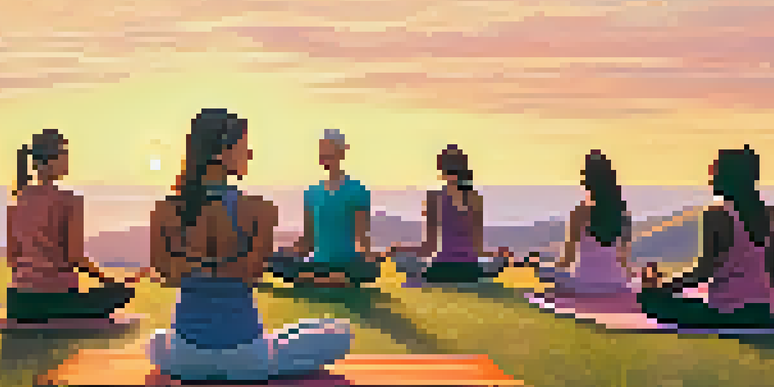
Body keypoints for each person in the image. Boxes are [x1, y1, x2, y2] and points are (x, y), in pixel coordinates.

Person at [148, 109, 352, 381]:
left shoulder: (165, 209)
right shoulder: (260, 210)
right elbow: (252, 273)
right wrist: (223, 265)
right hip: (247, 358)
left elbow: (167, 273)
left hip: (184, 359)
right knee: (339, 334)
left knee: (157, 340)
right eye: (244, 147)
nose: (250, 154)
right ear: (221, 153)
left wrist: (198, 266)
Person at [637, 145, 774, 329]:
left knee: (650, 300)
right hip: (763, 313)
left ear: (729, 177)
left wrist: (662, 287)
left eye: (716, 170)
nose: (711, 176)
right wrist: (772, 310)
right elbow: (768, 271)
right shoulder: (766, 213)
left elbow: (703, 272)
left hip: (730, 312)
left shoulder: (717, 214)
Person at [6, 129, 136, 323]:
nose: (67, 160)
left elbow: (12, 259)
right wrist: (107, 280)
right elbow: (75, 257)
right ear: (53, 159)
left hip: (18, 301)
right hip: (57, 298)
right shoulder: (70, 200)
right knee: (123, 292)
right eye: (64, 153)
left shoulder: (17, 201)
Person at [267, 129, 380, 287]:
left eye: (330, 151)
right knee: (277, 260)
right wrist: (286, 252)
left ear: (341, 154)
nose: (326, 157)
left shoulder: (357, 190)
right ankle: (330, 279)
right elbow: (308, 240)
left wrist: (368, 258)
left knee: (369, 269)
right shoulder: (312, 192)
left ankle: (316, 279)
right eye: (323, 152)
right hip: (319, 263)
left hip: (347, 262)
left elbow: (361, 237)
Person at [386, 145, 511, 284]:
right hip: (471, 270)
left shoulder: (434, 199)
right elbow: (478, 248)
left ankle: (419, 277)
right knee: (499, 257)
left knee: (398, 254)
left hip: (442, 270)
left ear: (442, 170)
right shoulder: (475, 199)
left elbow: (429, 247)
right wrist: (498, 254)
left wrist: (400, 248)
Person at [536, 150, 636, 295]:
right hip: (617, 283)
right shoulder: (622, 214)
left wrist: (549, 270)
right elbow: (624, 260)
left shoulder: (580, 212)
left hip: (584, 283)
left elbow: (567, 260)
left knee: (543, 272)